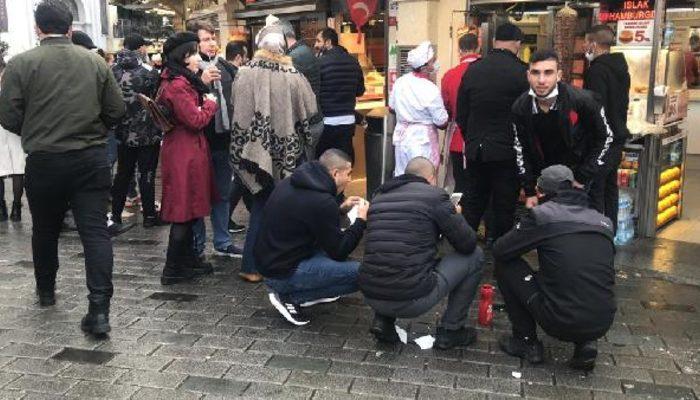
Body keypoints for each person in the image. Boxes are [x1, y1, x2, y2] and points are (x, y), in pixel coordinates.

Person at [0, 0, 125, 336]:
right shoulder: (95, 63)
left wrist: (34, 130)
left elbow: (8, 114)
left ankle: (45, 290)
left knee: (44, 228)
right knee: (95, 233)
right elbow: (116, 108)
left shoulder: (20, 64)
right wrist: (95, 127)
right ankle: (99, 309)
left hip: (45, 159)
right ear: (71, 28)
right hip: (89, 157)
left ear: (38, 28)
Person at [493, 165, 616, 371]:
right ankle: (585, 343)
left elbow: (501, 250)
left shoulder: (543, 215)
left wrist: (526, 225)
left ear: (541, 193)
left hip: (559, 320)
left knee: (505, 264)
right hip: (602, 320)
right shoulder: (602, 221)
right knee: (582, 272)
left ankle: (526, 341)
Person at [359, 157, 483, 349]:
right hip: (411, 299)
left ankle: (383, 321)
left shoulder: (379, 196)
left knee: (392, 251)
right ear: (431, 178)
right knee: (476, 256)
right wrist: (456, 217)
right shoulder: (435, 196)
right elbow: (467, 244)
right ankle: (451, 330)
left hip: (371, 294)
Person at [230, 22, 317, 283]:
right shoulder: (295, 76)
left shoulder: (243, 74)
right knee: (286, 207)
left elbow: (238, 109)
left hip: (251, 154)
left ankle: (252, 265)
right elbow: (310, 112)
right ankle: (282, 261)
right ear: (282, 47)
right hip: (288, 154)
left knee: (260, 205)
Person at [256, 149, 368, 326]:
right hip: (283, 272)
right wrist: (361, 221)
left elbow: (310, 219)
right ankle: (292, 297)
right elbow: (339, 250)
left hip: (272, 262)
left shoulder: (293, 182)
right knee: (366, 274)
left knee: (342, 264)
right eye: (349, 174)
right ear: (335, 173)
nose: (350, 179)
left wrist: (340, 209)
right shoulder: (321, 200)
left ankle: (306, 292)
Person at [512, 50, 614, 209]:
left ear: (558, 75)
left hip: (579, 176)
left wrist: (583, 176)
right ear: (528, 75)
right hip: (545, 179)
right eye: (536, 73)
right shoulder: (521, 107)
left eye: (548, 73)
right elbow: (521, 149)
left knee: (580, 225)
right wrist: (529, 189)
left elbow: (605, 137)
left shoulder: (583, 101)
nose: (541, 80)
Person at [456, 23, 529, 241]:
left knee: (473, 203)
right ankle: (501, 255)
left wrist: (472, 137)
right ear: (517, 43)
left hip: (476, 150)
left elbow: (462, 112)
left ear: (494, 41)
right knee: (504, 206)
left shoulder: (474, 69)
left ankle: (464, 252)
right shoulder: (521, 72)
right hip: (507, 151)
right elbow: (526, 116)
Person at [157, 32, 218, 285]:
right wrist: (210, 104)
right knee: (183, 210)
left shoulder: (178, 80)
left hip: (187, 150)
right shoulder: (178, 85)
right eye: (193, 53)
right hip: (185, 153)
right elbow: (195, 120)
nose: (197, 57)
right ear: (183, 57)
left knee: (191, 208)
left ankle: (189, 259)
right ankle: (172, 269)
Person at [187, 21, 243, 260]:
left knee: (221, 193)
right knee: (198, 195)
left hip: (222, 140)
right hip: (198, 141)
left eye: (213, 38)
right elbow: (184, 105)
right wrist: (202, 80)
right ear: (194, 43)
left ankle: (223, 241)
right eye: (205, 39)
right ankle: (197, 245)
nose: (211, 43)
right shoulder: (186, 70)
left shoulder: (223, 65)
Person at [109, 33, 165, 231]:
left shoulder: (111, 70)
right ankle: (149, 215)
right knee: (146, 174)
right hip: (147, 132)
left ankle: (115, 215)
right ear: (140, 48)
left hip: (122, 133)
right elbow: (156, 99)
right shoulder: (149, 71)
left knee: (123, 173)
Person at [584, 25, 631, 231]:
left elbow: (595, 108)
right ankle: (610, 232)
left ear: (594, 44)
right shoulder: (621, 68)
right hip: (618, 137)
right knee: (611, 188)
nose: (585, 46)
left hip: (602, 140)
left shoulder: (596, 71)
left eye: (587, 42)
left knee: (596, 189)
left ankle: (597, 236)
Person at [389, 41, 448, 177]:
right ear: (425, 66)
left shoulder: (400, 82)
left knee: (402, 176)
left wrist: (406, 115)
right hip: (423, 141)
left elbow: (392, 108)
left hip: (402, 140)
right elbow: (441, 121)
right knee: (424, 178)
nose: (435, 64)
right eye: (433, 61)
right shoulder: (430, 88)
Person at [315, 28, 365, 161]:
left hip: (327, 121)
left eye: (318, 41)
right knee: (344, 160)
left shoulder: (320, 63)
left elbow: (315, 92)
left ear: (328, 42)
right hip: (348, 121)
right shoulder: (354, 62)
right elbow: (360, 91)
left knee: (325, 162)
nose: (316, 45)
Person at [441, 33, 480, 194]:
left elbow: (446, 109)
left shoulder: (450, 75)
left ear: (459, 50)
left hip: (458, 139)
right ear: (478, 47)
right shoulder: (486, 70)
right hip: (483, 139)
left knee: (461, 184)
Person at [279, 20, 324, 160]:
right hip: (314, 119)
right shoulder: (304, 51)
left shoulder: (293, 58)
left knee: (304, 169)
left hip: (306, 124)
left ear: (283, 37)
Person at [223, 41, 251, 234]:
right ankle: (225, 218)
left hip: (234, 133)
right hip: (236, 133)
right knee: (241, 177)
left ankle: (255, 210)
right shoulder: (232, 75)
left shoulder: (226, 72)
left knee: (244, 176)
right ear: (239, 57)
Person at [0, 55, 25, 222]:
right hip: (15, 127)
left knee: (0, 169)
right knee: (18, 169)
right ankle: (17, 208)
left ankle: (0, 208)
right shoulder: (14, 82)